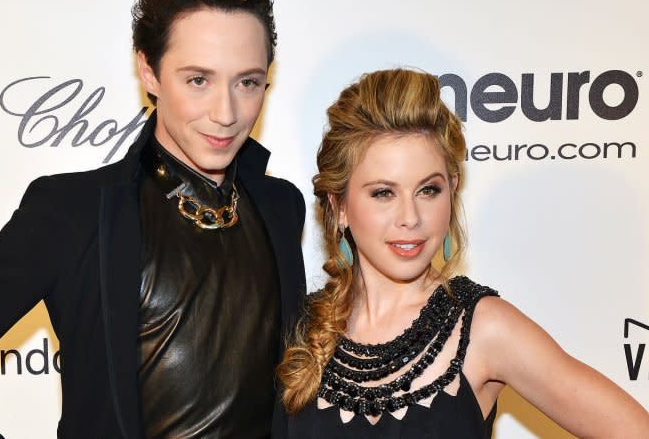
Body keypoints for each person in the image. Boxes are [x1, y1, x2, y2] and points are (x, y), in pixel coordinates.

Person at [0, 0, 306, 439]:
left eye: (248, 82)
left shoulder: (281, 208)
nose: (226, 112)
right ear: (148, 71)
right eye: (199, 80)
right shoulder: (74, 212)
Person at [277, 69, 649, 437]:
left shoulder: (485, 327)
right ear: (339, 205)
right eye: (383, 193)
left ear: (452, 189)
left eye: (428, 190)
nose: (410, 218)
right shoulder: (301, 328)